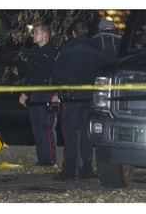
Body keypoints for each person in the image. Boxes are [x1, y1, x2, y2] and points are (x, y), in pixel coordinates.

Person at [53, 21, 106, 181]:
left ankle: (69, 172)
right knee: (86, 135)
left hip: (71, 98)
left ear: (73, 33)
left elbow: (56, 74)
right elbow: (103, 72)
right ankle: (87, 170)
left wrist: (57, 91)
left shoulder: (66, 49)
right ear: (87, 32)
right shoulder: (98, 49)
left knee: (70, 135)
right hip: (90, 98)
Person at [19, 23, 58, 166]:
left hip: (48, 92)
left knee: (47, 126)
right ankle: (42, 160)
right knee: (36, 126)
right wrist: (25, 93)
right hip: (35, 93)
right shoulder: (34, 52)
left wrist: (56, 94)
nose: (33, 35)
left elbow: (58, 74)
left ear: (45, 35)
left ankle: (51, 160)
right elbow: (30, 75)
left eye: (36, 32)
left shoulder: (54, 51)